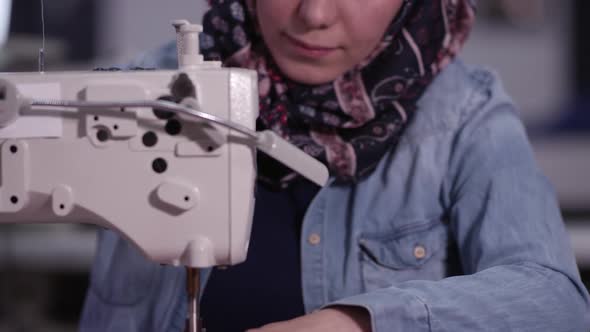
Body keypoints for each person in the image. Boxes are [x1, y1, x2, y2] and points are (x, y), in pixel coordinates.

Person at [79, 0, 590, 331]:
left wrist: (356, 324)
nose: (316, 14)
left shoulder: (464, 115)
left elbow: (555, 302)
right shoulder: (147, 89)